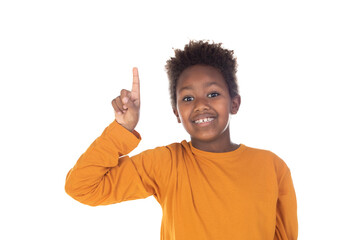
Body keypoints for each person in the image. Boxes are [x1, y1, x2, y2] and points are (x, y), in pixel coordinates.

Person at [65, 40, 298, 240]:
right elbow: (82, 187)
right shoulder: (166, 163)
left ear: (234, 103)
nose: (200, 105)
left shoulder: (272, 166)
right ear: (177, 113)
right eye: (187, 98)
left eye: (213, 94)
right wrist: (122, 128)